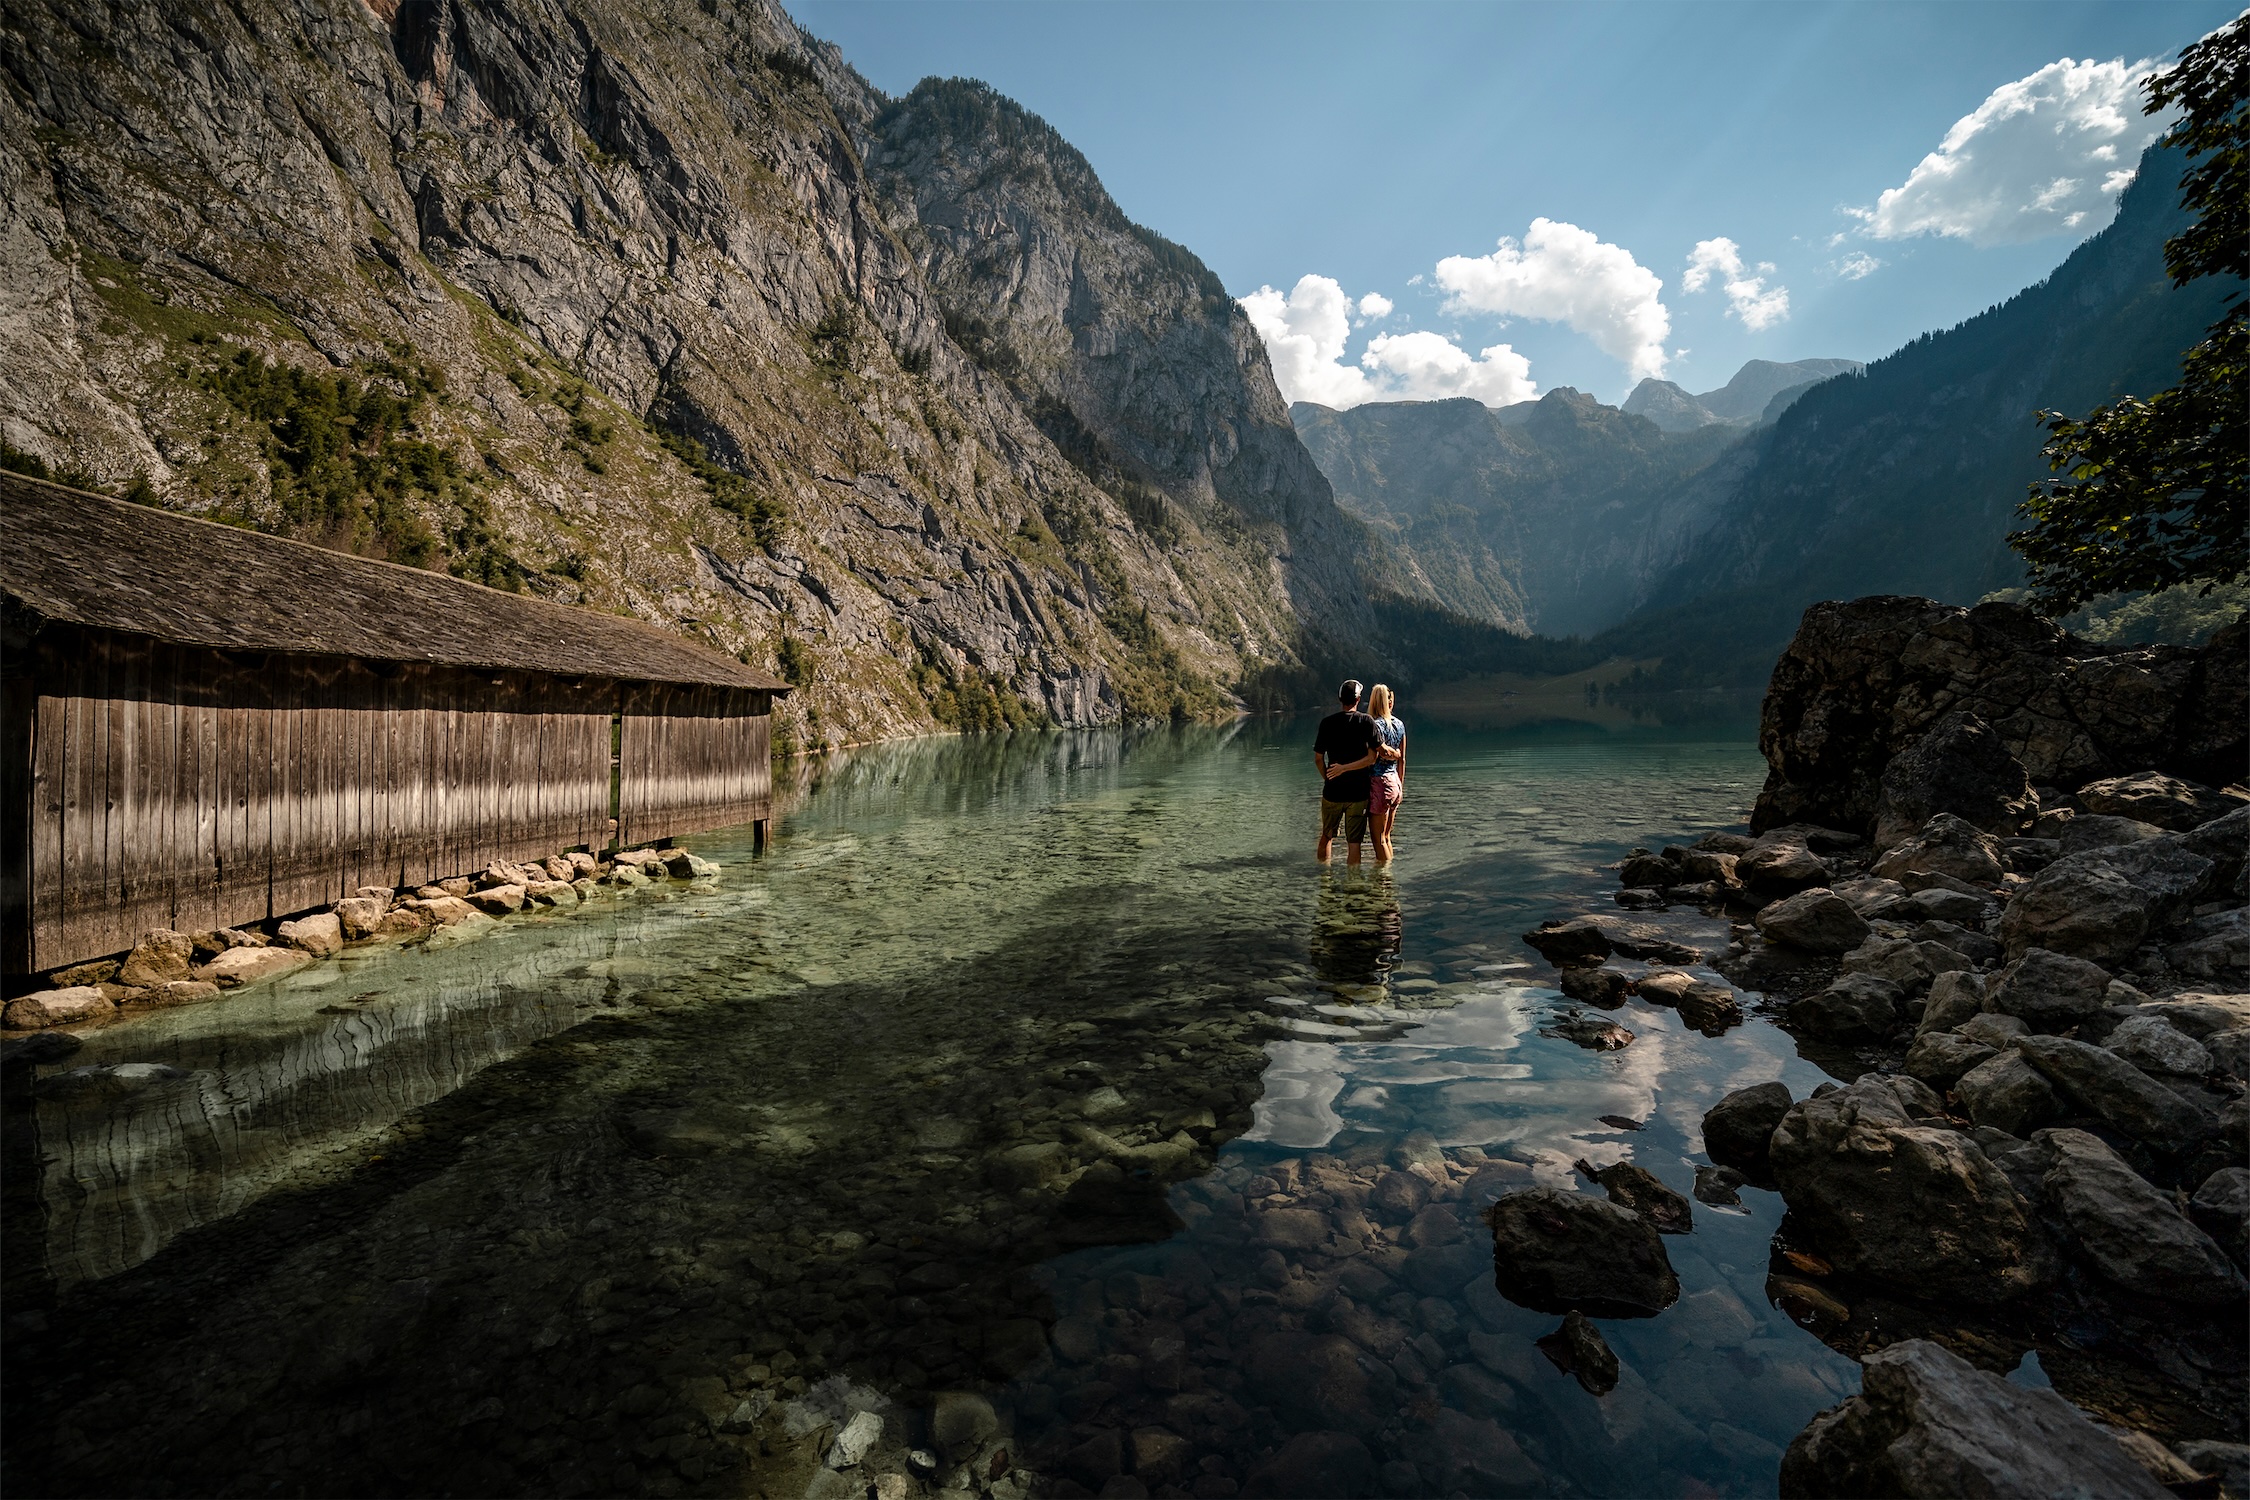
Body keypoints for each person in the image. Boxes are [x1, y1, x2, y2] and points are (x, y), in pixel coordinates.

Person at [1312, 679, 1381, 864]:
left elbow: (1318, 758)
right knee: (1354, 844)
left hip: (1332, 791)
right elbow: (1372, 758)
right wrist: (1347, 768)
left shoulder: (1327, 723)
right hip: (1358, 793)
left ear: (1340, 699)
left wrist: (1329, 776)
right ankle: (1353, 887)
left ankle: (1324, 879)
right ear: (1358, 699)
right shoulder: (1366, 721)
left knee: (1327, 836)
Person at [1366, 683, 1407, 863]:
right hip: (1395, 782)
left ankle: (1384, 879)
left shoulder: (1374, 726)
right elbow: (1402, 759)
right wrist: (1401, 785)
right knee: (1387, 836)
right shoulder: (1399, 724)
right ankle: (1389, 880)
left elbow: (1371, 758)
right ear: (1389, 702)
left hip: (1379, 785)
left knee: (1378, 839)